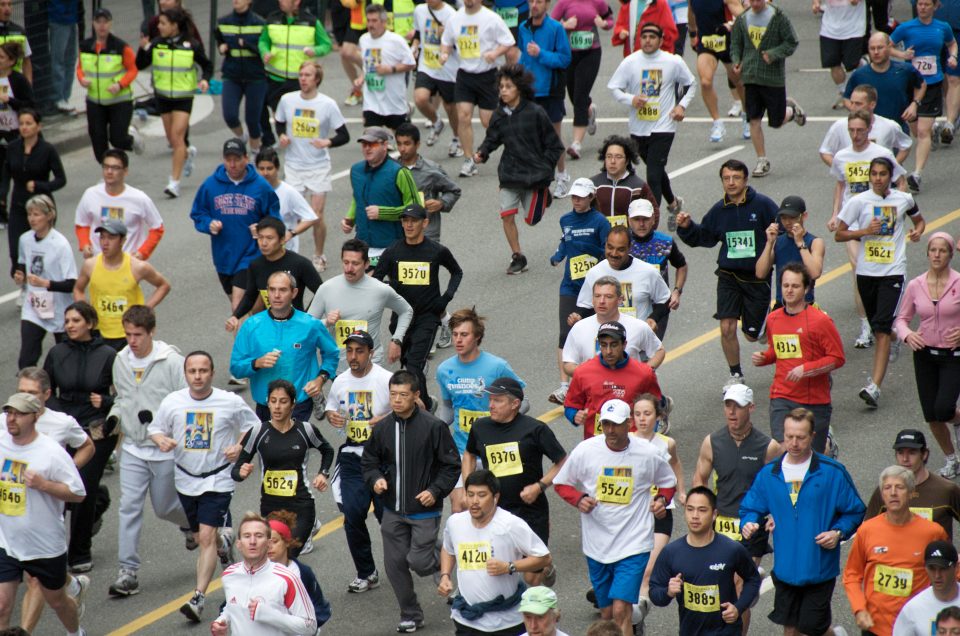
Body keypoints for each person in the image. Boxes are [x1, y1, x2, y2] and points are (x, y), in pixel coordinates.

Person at [148, 351, 260, 623]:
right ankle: (225, 542)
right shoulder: (173, 402)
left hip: (217, 479)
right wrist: (161, 440)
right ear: (185, 374)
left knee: (206, 538)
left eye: (203, 371)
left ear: (211, 372)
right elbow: (155, 428)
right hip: (186, 478)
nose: (198, 376)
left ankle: (198, 597)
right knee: (203, 538)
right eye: (192, 371)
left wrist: (239, 447)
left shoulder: (228, 401)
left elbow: (254, 425)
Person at [554, 398, 677, 636]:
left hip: (633, 542)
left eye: (616, 424)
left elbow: (667, 481)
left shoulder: (647, 453)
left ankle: (630, 620)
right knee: (607, 614)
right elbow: (562, 483)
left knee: (621, 610)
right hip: (597, 544)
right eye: (606, 424)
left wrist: (661, 500)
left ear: (628, 424)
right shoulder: (586, 450)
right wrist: (579, 499)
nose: (610, 430)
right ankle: (634, 625)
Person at [740, 409, 865, 636]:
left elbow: (855, 511)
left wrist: (838, 532)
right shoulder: (770, 474)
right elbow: (751, 507)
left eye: (801, 437)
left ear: (813, 436)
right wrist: (748, 523)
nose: (794, 443)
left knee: (811, 627)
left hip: (818, 568)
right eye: (789, 437)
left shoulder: (832, 472)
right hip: (785, 569)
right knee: (790, 627)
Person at [361, 370, 461, 633]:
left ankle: (442, 561)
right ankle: (411, 615)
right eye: (393, 394)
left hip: (424, 510)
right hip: (392, 510)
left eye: (403, 395)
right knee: (394, 564)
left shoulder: (433, 427)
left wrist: (435, 490)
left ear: (416, 396)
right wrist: (376, 480)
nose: (396, 400)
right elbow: (369, 461)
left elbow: (451, 466)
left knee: (418, 561)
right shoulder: (382, 428)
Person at [104, 305, 192, 597]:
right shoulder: (120, 361)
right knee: (128, 508)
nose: (132, 341)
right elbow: (123, 399)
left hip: (164, 449)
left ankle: (197, 526)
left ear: (151, 332)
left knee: (165, 507)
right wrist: (114, 418)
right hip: (133, 447)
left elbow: (187, 403)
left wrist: (174, 437)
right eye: (128, 334)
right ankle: (127, 572)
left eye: (138, 334)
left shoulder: (171, 361)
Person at [676, 159, 778, 389]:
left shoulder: (762, 205)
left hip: (756, 279)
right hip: (728, 276)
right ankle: (736, 374)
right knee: (726, 327)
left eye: (736, 178)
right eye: (726, 178)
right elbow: (705, 238)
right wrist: (686, 227)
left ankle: (768, 324)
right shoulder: (719, 210)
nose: (731, 182)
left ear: (745, 180)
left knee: (752, 336)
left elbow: (781, 228)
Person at [835, 156, 925, 408]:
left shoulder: (903, 199)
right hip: (866, 272)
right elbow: (839, 234)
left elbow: (919, 220)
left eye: (882, 174)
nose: (877, 178)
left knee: (882, 328)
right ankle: (897, 337)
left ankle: (874, 386)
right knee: (878, 327)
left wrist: (917, 231)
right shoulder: (858, 202)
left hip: (893, 271)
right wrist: (864, 231)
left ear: (890, 176)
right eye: (873, 174)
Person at [692, 383, 779, 633]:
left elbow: (776, 488)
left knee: (738, 588)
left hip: (752, 526)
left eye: (738, 407)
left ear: (750, 408)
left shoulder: (768, 447)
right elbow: (700, 479)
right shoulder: (712, 442)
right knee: (719, 586)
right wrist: (703, 510)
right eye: (728, 406)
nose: (732, 412)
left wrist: (773, 514)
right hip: (720, 526)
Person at [0, 393, 87, 635]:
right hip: (7, 541)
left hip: (43, 543)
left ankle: (76, 632)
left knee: (57, 601)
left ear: (35, 417)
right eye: (9, 413)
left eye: (19, 414)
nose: (11, 419)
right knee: (2, 606)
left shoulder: (50, 452)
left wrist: (44, 485)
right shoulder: (1, 440)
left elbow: (78, 493)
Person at [437, 469, 552, 635]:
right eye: (470, 494)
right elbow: (448, 549)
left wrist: (509, 566)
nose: (474, 501)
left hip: (507, 623)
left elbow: (544, 557)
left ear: (495, 497)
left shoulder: (511, 524)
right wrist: (445, 575)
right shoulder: (455, 523)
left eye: (482, 495)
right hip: (467, 619)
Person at [475, 64, 565, 274]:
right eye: (501, 87)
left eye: (508, 86)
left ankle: (543, 195)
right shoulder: (499, 115)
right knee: (507, 215)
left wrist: (545, 170)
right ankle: (518, 256)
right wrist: (482, 153)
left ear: (519, 88)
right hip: (509, 174)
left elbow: (555, 146)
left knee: (531, 220)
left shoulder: (536, 112)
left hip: (535, 177)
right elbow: (492, 139)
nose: (503, 90)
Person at [373, 203, 463, 411]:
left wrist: (445, 298)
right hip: (401, 318)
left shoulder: (436, 250)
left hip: (427, 317)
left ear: (425, 223)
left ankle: (423, 407)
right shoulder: (393, 251)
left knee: (412, 367)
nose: (409, 225)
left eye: (413, 221)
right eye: (405, 220)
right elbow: (376, 279)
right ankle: (426, 401)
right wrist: (391, 288)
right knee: (409, 365)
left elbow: (456, 272)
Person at [437, 308, 526, 511]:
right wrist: (434, 428)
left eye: (464, 335)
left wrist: (502, 420)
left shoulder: (497, 367)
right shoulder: (444, 370)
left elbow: (523, 401)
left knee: (498, 507)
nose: (458, 340)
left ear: (477, 337)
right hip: (462, 450)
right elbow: (448, 409)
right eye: (455, 334)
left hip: (494, 449)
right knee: (460, 506)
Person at [843, 465, 948, 636]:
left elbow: (951, 573)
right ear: (882, 494)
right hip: (875, 626)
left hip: (916, 626)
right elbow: (852, 575)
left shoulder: (933, 532)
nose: (893, 493)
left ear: (911, 492)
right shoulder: (867, 530)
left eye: (899, 487)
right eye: (887, 488)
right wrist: (859, 609)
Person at [463, 378, 567, 550]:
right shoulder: (480, 427)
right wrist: (469, 487)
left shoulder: (535, 429)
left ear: (515, 404)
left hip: (530, 510)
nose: (491, 405)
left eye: (498, 400)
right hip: (494, 509)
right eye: (490, 400)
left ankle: (544, 572)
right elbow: (469, 454)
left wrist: (539, 486)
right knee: (499, 565)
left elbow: (562, 461)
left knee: (533, 572)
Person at [324, 330, 391, 592]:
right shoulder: (340, 381)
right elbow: (331, 407)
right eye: (349, 351)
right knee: (352, 514)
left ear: (371, 353)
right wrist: (332, 416)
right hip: (353, 455)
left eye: (359, 351)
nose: (353, 356)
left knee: (389, 518)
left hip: (384, 457)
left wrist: (383, 420)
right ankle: (366, 571)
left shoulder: (385, 379)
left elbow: (411, 407)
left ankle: (405, 559)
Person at [233, 380, 334, 552]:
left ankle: (310, 529)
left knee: (288, 553)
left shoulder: (306, 430)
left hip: (301, 506)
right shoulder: (258, 432)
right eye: (273, 401)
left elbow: (328, 450)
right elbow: (237, 469)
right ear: (268, 402)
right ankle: (305, 580)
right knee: (277, 560)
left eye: (283, 401)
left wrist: (322, 474)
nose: (277, 407)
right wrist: (241, 473)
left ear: (293, 404)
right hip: (271, 508)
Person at [751, 263, 844, 450]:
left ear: (806, 288)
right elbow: (778, 352)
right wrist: (766, 357)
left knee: (810, 457)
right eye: (786, 286)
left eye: (795, 286)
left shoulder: (820, 321)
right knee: (784, 451)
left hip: (814, 400)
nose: (789, 290)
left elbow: (837, 357)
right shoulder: (774, 319)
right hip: (782, 395)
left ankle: (827, 445)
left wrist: (805, 369)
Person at [608, 22, 695, 216]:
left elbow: (691, 83)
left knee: (653, 175)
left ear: (661, 40)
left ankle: (649, 224)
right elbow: (613, 87)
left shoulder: (673, 61)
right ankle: (673, 204)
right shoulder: (630, 62)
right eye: (644, 37)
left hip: (664, 127)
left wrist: (681, 105)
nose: (647, 40)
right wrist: (631, 99)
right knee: (657, 170)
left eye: (652, 37)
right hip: (638, 128)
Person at [649, 486, 762, 636]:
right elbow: (655, 593)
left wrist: (738, 607)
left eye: (702, 510)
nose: (695, 516)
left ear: (714, 514)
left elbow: (753, 579)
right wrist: (668, 592)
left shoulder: (731, 549)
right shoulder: (671, 552)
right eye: (690, 509)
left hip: (726, 632)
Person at [230, 271, 339, 420]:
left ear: (294, 292)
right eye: (272, 289)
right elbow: (236, 368)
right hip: (266, 405)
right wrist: (256, 363)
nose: (276, 295)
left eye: (282, 290)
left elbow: (332, 354)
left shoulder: (310, 324)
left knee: (291, 443)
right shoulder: (251, 326)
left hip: (298, 404)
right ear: (266, 292)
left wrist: (320, 379)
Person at [190, 138, 281, 315]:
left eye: (237, 159)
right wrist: (209, 224)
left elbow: (275, 217)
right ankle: (260, 337)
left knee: (238, 308)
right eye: (228, 159)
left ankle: (241, 344)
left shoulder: (260, 186)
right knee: (244, 307)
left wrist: (263, 228)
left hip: (251, 254)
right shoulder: (211, 185)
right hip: (224, 256)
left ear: (246, 159)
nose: (232, 164)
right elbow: (198, 213)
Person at [894, 232, 960, 476]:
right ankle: (952, 458)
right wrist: (908, 335)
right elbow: (901, 318)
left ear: (950, 255)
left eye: (943, 251)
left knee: (944, 408)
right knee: (931, 413)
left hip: (953, 355)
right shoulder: (916, 285)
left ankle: (957, 419)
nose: (937, 254)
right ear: (927, 253)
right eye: (933, 250)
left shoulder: (958, 282)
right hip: (924, 353)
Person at [275, 59, 350, 272]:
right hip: (293, 165)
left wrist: (327, 142)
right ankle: (288, 254)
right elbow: (280, 121)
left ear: (317, 79)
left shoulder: (327, 104)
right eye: (301, 75)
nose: (303, 79)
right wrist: (281, 135)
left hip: (318, 166)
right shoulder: (287, 100)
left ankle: (318, 254)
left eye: (308, 75)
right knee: (290, 214)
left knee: (315, 215)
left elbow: (344, 135)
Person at [136, 7, 212, 198]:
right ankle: (187, 153)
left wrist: (205, 79)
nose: (159, 27)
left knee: (177, 137)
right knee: (172, 140)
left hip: (183, 97)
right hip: (162, 97)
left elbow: (207, 65)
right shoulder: (156, 44)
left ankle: (174, 182)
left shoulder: (191, 45)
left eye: (163, 23)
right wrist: (143, 47)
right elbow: (140, 65)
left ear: (174, 26)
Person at [308, 238, 414, 370]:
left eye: (355, 263)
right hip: (338, 365)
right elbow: (306, 326)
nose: (349, 268)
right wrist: (326, 322)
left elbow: (406, 311)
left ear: (366, 264)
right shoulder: (326, 289)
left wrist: (397, 340)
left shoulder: (380, 290)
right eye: (346, 262)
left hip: (371, 363)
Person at [548, 177, 609, 404]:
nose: (576, 200)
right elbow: (565, 241)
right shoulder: (566, 220)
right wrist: (558, 255)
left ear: (591, 198)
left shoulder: (600, 222)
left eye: (581, 197)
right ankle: (565, 386)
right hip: (570, 285)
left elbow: (607, 250)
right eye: (573, 196)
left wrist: (588, 250)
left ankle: (595, 380)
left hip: (594, 287)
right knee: (566, 333)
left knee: (592, 334)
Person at [440, 0, 516, 177]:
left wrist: (495, 54)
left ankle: (514, 152)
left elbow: (508, 41)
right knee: (463, 116)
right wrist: (444, 53)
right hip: (465, 75)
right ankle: (468, 160)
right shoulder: (455, 18)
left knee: (488, 122)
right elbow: (446, 41)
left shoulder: (491, 18)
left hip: (487, 75)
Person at [729, 0, 804, 177]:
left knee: (776, 121)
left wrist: (773, 54)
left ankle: (791, 111)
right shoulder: (742, 19)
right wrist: (737, 61)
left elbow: (791, 42)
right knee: (753, 118)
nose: (754, 3)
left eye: (758, 0)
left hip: (772, 78)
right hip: (750, 76)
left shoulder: (778, 17)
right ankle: (762, 160)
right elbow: (736, 45)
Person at [211, 512, 317, 635]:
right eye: (246, 536)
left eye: (259, 536)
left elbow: (310, 626)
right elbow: (232, 605)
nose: (252, 541)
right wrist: (221, 620)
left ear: (268, 543)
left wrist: (268, 614)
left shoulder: (286, 578)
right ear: (239, 544)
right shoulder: (229, 575)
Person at [72, 220, 171, 351]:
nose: (105, 243)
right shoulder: (90, 265)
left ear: (122, 240)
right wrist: (86, 313)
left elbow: (164, 285)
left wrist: (145, 309)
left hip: (129, 335)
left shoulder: (137, 267)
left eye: (111, 238)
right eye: (102, 237)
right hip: (99, 333)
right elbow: (78, 289)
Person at [891, 0, 958, 192]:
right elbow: (888, 46)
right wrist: (902, 55)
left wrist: (953, 56)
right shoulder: (906, 27)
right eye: (920, 4)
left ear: (935, 6)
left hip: (932, 84)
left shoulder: (942, 27)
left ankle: (917, 174)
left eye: (927, 4)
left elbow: (952, 44)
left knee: (921, 132)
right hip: (910, 84)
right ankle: (934, 129)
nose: (922, 7)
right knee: (915, 130)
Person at [631, 393, 685, 620]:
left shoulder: (667, 443)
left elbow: (675, 464)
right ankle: (632, 615)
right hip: (632, 514)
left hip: (660, 512)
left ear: (658, 416)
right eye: (637, 414)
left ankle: (638, 610)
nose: (642, 419)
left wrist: (681, 490)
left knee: (648, 570)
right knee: (631, 566)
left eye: (647, 413)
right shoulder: (627, 442)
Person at [565, 321, 663, 440]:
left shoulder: (644, 373)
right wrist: (575, 416)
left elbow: (656, 406)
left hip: (633, 442)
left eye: (614, 345)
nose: (608, 351)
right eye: (603, 345)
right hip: (596, 443)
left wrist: (649, 437)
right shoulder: (583, 372)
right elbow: (570, 405)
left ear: (624, 344)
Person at [574, 223, 671, 337]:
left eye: (620, 249)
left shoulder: (648, 272)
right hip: (606, 344)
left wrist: (653, 318)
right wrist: (578, 315)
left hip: (638, 342)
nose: (614, 254)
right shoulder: (595, 273)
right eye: (610, 247)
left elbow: (665, 300)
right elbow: (586, 305)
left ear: (629, 248)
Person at [1, 109, 65, 278]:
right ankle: (21, 281)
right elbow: (6, 173)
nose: (24, 127)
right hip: (19, 205)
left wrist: (40, 185)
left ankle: (45, 281)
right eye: (21, 123)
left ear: (38, 126)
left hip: (41, 206)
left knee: (41, 248)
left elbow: (61, 179)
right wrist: (2, 195)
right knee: (16, 249)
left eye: (29, 123)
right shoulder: (13, 148)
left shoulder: (47, 150)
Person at [258, 0, 331, 148]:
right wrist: (264, 52)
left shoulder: (311, 22)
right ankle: (269, 140)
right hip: (275, 77)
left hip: (298, 79)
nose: (280, 2)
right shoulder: (272, 19)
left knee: (295, 116)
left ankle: (298, 143)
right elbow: (263, 41)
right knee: (261, 108)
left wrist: (315, 51)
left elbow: (326, 44)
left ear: (296, 2)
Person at [341, 127, 420, 264]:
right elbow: (357, 198)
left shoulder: (399, 172)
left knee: (393, 286)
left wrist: (383, 212)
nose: (367, 148)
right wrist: (350, 218)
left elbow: (416, 209)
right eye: (364, 145)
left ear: (385, 145)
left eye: (372, 144)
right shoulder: (356, 170)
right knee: (365, 284)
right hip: (363, 245)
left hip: (393, 246)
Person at [14, 195, 76, 369]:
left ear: (49, 216)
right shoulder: (25, 239)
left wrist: (46, 284)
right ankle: (28, 393)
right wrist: (19, 276)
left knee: (64, 360)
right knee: (26, 358)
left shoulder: (60, 244)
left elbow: (71, 283)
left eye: (36, 214)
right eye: (29, 214)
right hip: (33, 305)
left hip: (59, 308)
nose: (32, 219)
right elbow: (22, 264)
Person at [518, 0, 573, 198]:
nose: (534, 5)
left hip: (551, 90)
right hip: (530, 91)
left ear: (547, 4)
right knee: (533, 136)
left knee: (553, 137)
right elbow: (522, 57)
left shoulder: (556, 28)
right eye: (531, 1)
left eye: (539, 1)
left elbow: (565, 59)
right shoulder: (523, 27)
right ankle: (540, 178)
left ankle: (562, 176)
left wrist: (541, 54)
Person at [226, 216, 322, 328]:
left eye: (269, 238)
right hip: (270, 328)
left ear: (282, 240)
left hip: (297, 328)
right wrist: (235, 316)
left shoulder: (300, 263)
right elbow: (250, 297)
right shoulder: (255, 265)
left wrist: (307, 316)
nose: (263, 243)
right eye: (260, 237)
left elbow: (321, 292)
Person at [865, 429, 960, 539]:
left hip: (934, 555)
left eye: (912, 452)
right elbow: (867, 531)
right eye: (900, 453)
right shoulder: (886, 490)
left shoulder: (946, 490)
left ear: (924, 454)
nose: (905, 459)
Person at [562, 276, 665, 377]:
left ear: (620, 300)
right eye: (597, 296)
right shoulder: (579, 328)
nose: (602, 301)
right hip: (592, 391)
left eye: (608, 296)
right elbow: (568, 363)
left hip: (629, 391)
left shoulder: (638, 326)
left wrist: (643, 373)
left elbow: (659, 351)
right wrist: (588, 373)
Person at [77, 8, 143, 164]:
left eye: (105, 22)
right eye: (98, 22)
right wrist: (81, 79)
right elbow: (80, 67)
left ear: (110, 24)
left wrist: (120, 84)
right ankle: (108, 171)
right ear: (93, 24)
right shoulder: (86, 46)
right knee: (97, 139)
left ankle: (131, 139)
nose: (102, 26)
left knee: (118, 139)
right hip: (95, 101)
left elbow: (133, 69)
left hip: (119, 101)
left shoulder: (121, 47)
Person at [74, 149, 165, 261]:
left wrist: (142, 253)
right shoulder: (90, 194)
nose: (109, 171)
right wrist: (85, 244)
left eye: (115, 168)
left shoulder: (139, 198)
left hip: (128, 264)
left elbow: (157, 228)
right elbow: (81, 223)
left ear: (125, 171)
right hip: (97, 263)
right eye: (106, 167)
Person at [550, 0, 612, 162]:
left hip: (591, 53)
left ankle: (576, 144)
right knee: (574, 95)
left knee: (579, 96)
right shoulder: (564, 3)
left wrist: (603, 23)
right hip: (569, 54)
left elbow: (610, 20)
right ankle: (589, 110)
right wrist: (564, 25)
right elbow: (550, 24)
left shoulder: (597, 2)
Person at [829, 111, 907, 230]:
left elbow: (901, 183)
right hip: (853, 218)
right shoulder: (841, 157)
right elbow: (840, 185)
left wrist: (895, 210)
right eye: (851, 130)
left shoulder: (883, 154)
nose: (855, 135)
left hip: (881, 216)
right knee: (854, 247)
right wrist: (835, 215)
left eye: (860, 130)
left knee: (876, 248)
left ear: (869, 129)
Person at [687, 0, 748, 144]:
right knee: (705, 82)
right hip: (706, 42)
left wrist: (731, 25)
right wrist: (692, 33)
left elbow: (744, 17)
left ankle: (747, 116)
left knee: (738, 81)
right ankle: (717, 123)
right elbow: (691, 13)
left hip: (729, 42)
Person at [394, 122, 463, 246]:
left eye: (407, 143)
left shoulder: (432, 169)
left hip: (427, 234)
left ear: (417, 144)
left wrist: (441, 203)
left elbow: (454, 191)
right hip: (397, 234)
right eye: (399, 144)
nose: (402, 149)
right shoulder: (391, 169)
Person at [627, 196, 687, 336]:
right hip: (628, 304)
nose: (641, 224)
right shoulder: (621, 243)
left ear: (653, 219)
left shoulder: (665, 242)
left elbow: (681, 266)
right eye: (636, 219)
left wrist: (677, 291)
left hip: (658, 304)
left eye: (646, 219)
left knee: (651, 349)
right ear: (629, 220)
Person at [843, 33, 926, 134]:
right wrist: (857, 111)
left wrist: (915, 104)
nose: (876, 52)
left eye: (880, 48)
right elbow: (846, 98)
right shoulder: (859, 75)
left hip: (897, 130)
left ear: (889, 47)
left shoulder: (905, 70)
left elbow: (921, 84)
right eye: (872, 49)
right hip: (869, 132)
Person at [411, 0, 463, 156]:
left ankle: (456, 138)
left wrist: (446, 35)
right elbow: (418, 33)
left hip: (447, 68)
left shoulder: (452, 15)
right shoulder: (420, 10)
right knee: (420, 98)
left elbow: (460, 44)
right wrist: (414, 47)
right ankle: (436, 121)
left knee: (450, 107)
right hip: (426, 65)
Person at [263, 510, 332, 626]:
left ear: (287, 542)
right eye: (265, 542)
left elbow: (318, 605)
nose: (269, 547)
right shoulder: (254, 572)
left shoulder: (302, 572)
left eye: (274, 542)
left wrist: (311, 626)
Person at [755, 196, 825, 309]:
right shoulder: (777, 241)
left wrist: (800, 242)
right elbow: (760, 273)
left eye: (792, 217)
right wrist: (769, 243)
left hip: (805, 305)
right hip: (781, 305)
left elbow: (815, 273)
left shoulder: (815, 242)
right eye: (784, 218)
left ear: (804, 216)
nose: (787, 222)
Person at [215, 0, 267, 153]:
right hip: (232, 75)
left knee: (252, 120)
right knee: (229, 115)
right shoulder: (223, 22)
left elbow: (264, 51)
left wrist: (247, 45)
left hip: (255, 77)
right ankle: (242, 136)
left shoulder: (260, 23)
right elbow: (219, 39)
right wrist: (221, 47)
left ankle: (255, 152)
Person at [820, 84, 913, 167]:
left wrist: (892, 168)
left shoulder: (889, 126)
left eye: (858, 104)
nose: (852, 107)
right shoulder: (839, 126)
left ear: (872, 105)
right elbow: (825, 151)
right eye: (851, 103)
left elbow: (905, 145)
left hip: (880, 185)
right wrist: (841, 170)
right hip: (851, 185)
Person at [357, 4, 416, 130]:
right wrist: (361, 78)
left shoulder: (396, 41)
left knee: (402, 143)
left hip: (393, 102)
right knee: (372, 141)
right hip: (371, 102)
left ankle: (406, 109)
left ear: (384, 22)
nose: (370, 24)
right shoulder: (363, 40)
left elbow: (411, 63)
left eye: (374, 21)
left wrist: (390, 69)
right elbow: (367, 66)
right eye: (368, 20)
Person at [253, 148, 319, 256]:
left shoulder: (288, 192)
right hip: (259, 252)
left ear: (277, 168)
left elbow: (310, 218)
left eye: (269, 168)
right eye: (261, 169)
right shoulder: (252, 191)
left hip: (285, 253)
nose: (265, 173)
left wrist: (291, 233)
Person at [589, 135, 659, 229]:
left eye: (618, 157)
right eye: (609, 156)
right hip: (599, 240)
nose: (613, 161)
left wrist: (642, 237)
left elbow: (654, 213)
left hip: (628, 240)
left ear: (627, 160)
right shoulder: (593, 184)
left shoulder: (638, 187)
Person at [893, 541, 960, 636]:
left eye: (943, 568)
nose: (937, 575)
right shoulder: (912, 609)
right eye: (932, 568)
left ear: (956, 567)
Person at [0, 40, 32, 228]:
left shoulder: (18, 80)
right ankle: (2, 213)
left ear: (11, 61)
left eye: (2, 57)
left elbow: (30, 105)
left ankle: (26, 210)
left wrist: (10, 101)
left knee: (17, 173)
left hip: (15, 134)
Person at [813, 0, 866, 110]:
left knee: (851, 64)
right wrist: (816, 3)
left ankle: (864, 64)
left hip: (853, 28)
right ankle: (844, 93)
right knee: (833, 63)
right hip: (829, 29)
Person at [0, 0, 31, 79]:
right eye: (2, 5)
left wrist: (28, 87)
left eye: (9, 4)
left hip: (16, 81)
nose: (7, 8)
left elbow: (26, 62)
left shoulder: (20, 32)